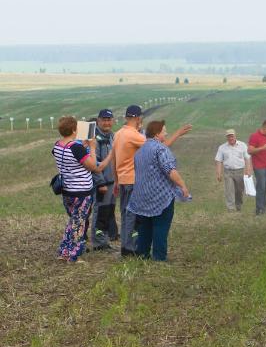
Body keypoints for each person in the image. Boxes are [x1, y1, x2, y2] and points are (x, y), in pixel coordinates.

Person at [112, 105, 191, 256]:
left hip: (123, 179)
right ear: (138, 118)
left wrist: (116, 180)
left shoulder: (118, 134)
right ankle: (129, 249)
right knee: (135, 218)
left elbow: (114, 159)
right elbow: (157, 148)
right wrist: (178, 133)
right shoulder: (134, 136)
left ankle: (132, 248)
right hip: (133, 180)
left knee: (129, 215)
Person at [53, 115, 114, 263]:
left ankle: (64, 251)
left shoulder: (58, 145)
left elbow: (73, 159)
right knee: (79, 224)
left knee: (73, 221)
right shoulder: (76, 148)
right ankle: (73, 256)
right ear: (74, 129)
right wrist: (92, 148)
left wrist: (84, 147)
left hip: (67, 190)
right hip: (81, 192)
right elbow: (94, 166)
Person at [89, 109, 119, 250]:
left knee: (108, 212)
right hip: (102, 184)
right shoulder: (95, 139)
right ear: (98, 121)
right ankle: (98, 243)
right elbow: (94, 164)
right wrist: (100, 183)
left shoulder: (112, 136)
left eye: (109, 119)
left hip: (112, 182)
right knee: (100, 212)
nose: (107, 122)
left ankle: (105, 239)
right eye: (104, 120)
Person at [215, 128, 251, 212]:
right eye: (228, 137)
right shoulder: (222, 148)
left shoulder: (242, 145)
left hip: (240, 171)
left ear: (235, 136)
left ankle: (239, 206)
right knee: (229, 190)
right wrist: (219, 173)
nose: (230, 138)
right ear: (226, 138)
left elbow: (247, 158)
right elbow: (219, 160)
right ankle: (230, 208)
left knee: (239, 190)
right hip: (228, 172)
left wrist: (248, 170)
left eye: (232, 136)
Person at [247, 120, 266, 215]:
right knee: (261, 187)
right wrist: (262, 148)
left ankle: (264, 207)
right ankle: (259, 209)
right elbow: (250, 151)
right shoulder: (254, 136)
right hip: (259, 166)